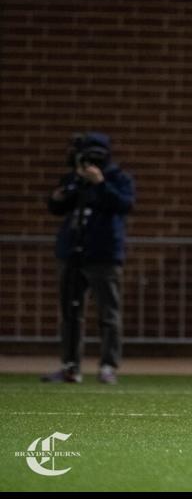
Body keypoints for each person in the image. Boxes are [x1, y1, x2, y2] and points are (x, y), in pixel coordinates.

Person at [41, 132, 135, 385]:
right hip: (72, 253)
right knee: (71, 312)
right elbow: (56, 207)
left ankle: (108, 366)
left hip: (103, 255)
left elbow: (124, 205)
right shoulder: (74, 178)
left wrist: (100, 183)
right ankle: (70, 366)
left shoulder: (118, 178)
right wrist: (60, 195)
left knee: (108, 313)